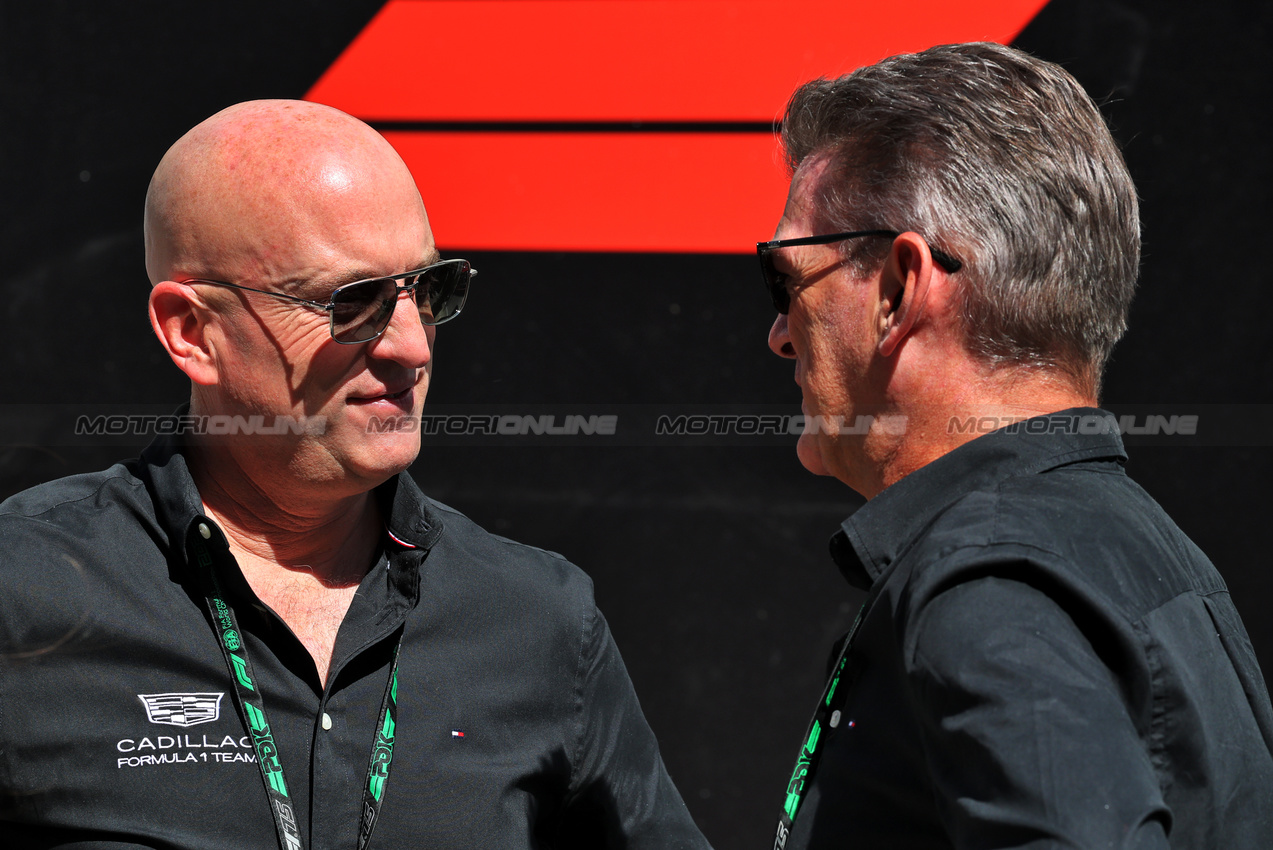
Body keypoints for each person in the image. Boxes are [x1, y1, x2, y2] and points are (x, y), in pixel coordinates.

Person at [0, 100, 709, 850]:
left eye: (428, 291)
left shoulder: (540, 619)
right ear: (193, 332)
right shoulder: (24, 588)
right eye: (352, 302)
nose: (411, 346)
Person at [758, 42, 1273, 849]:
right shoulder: (1139, 553)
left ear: (896, 289)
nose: (778, 335)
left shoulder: (990, 583)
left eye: (785, 279)